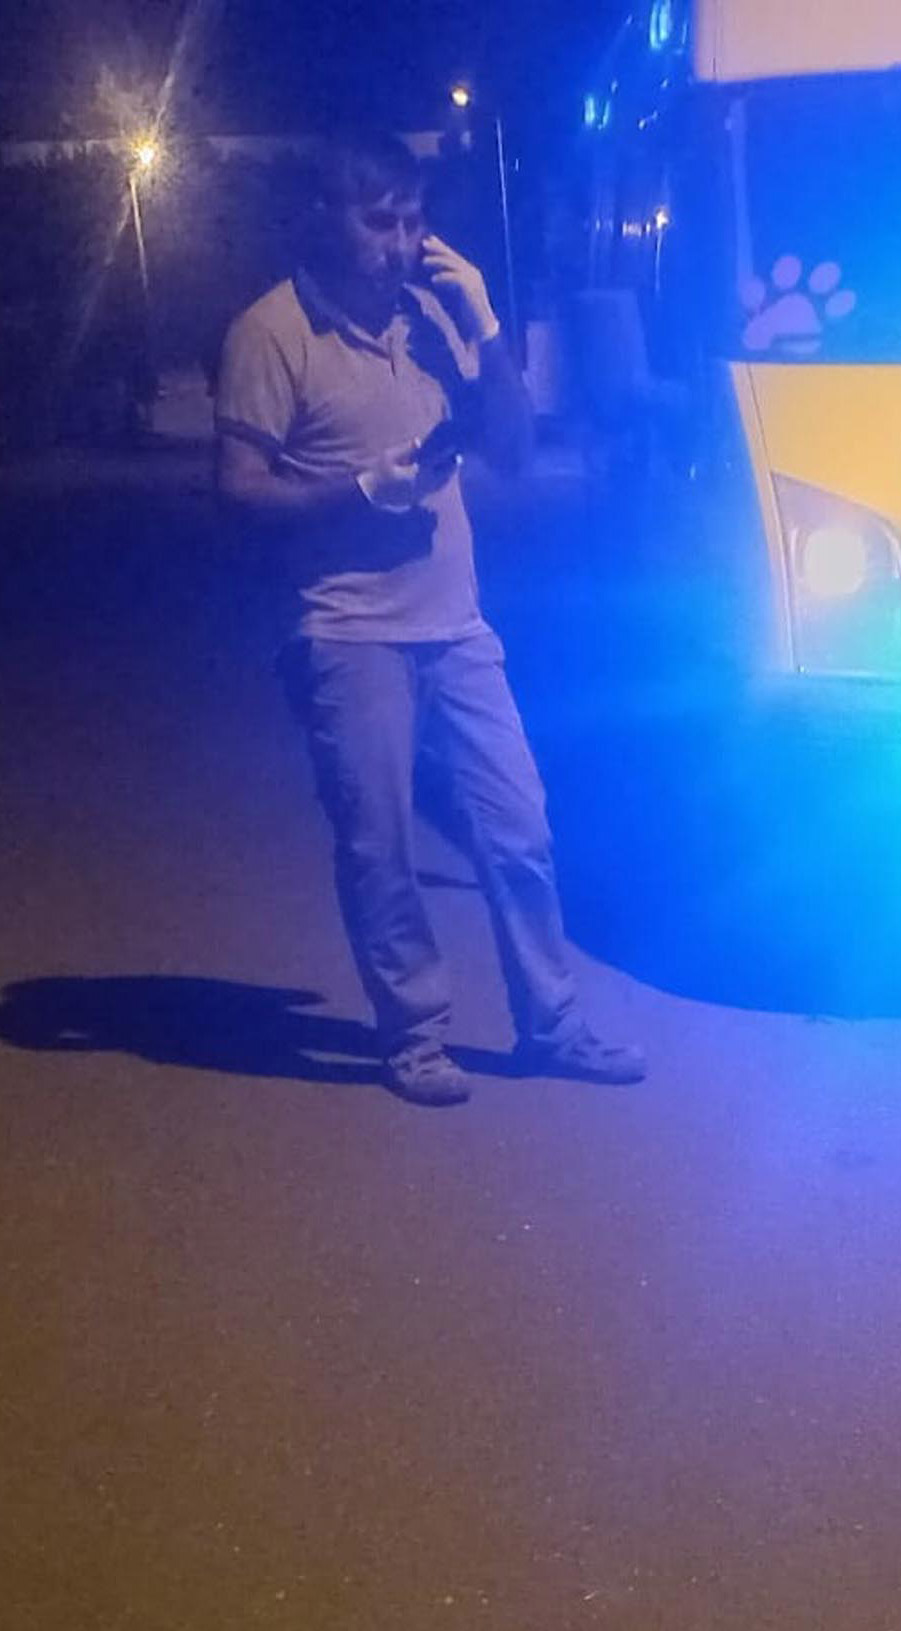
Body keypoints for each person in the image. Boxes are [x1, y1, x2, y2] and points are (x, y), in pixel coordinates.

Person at [215, 134, 643, 1106]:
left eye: (412, 221)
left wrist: (485, 329)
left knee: (520, 830)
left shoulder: (432, 316)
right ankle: (413, 1035)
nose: (400, 243)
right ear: (321, 220)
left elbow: (513, 456)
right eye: (378, 222)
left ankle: (554, 1023)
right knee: (382, 848)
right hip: (345, 630)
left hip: (456, 625)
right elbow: (237, 490)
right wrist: (355, 490)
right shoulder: (270, 333)